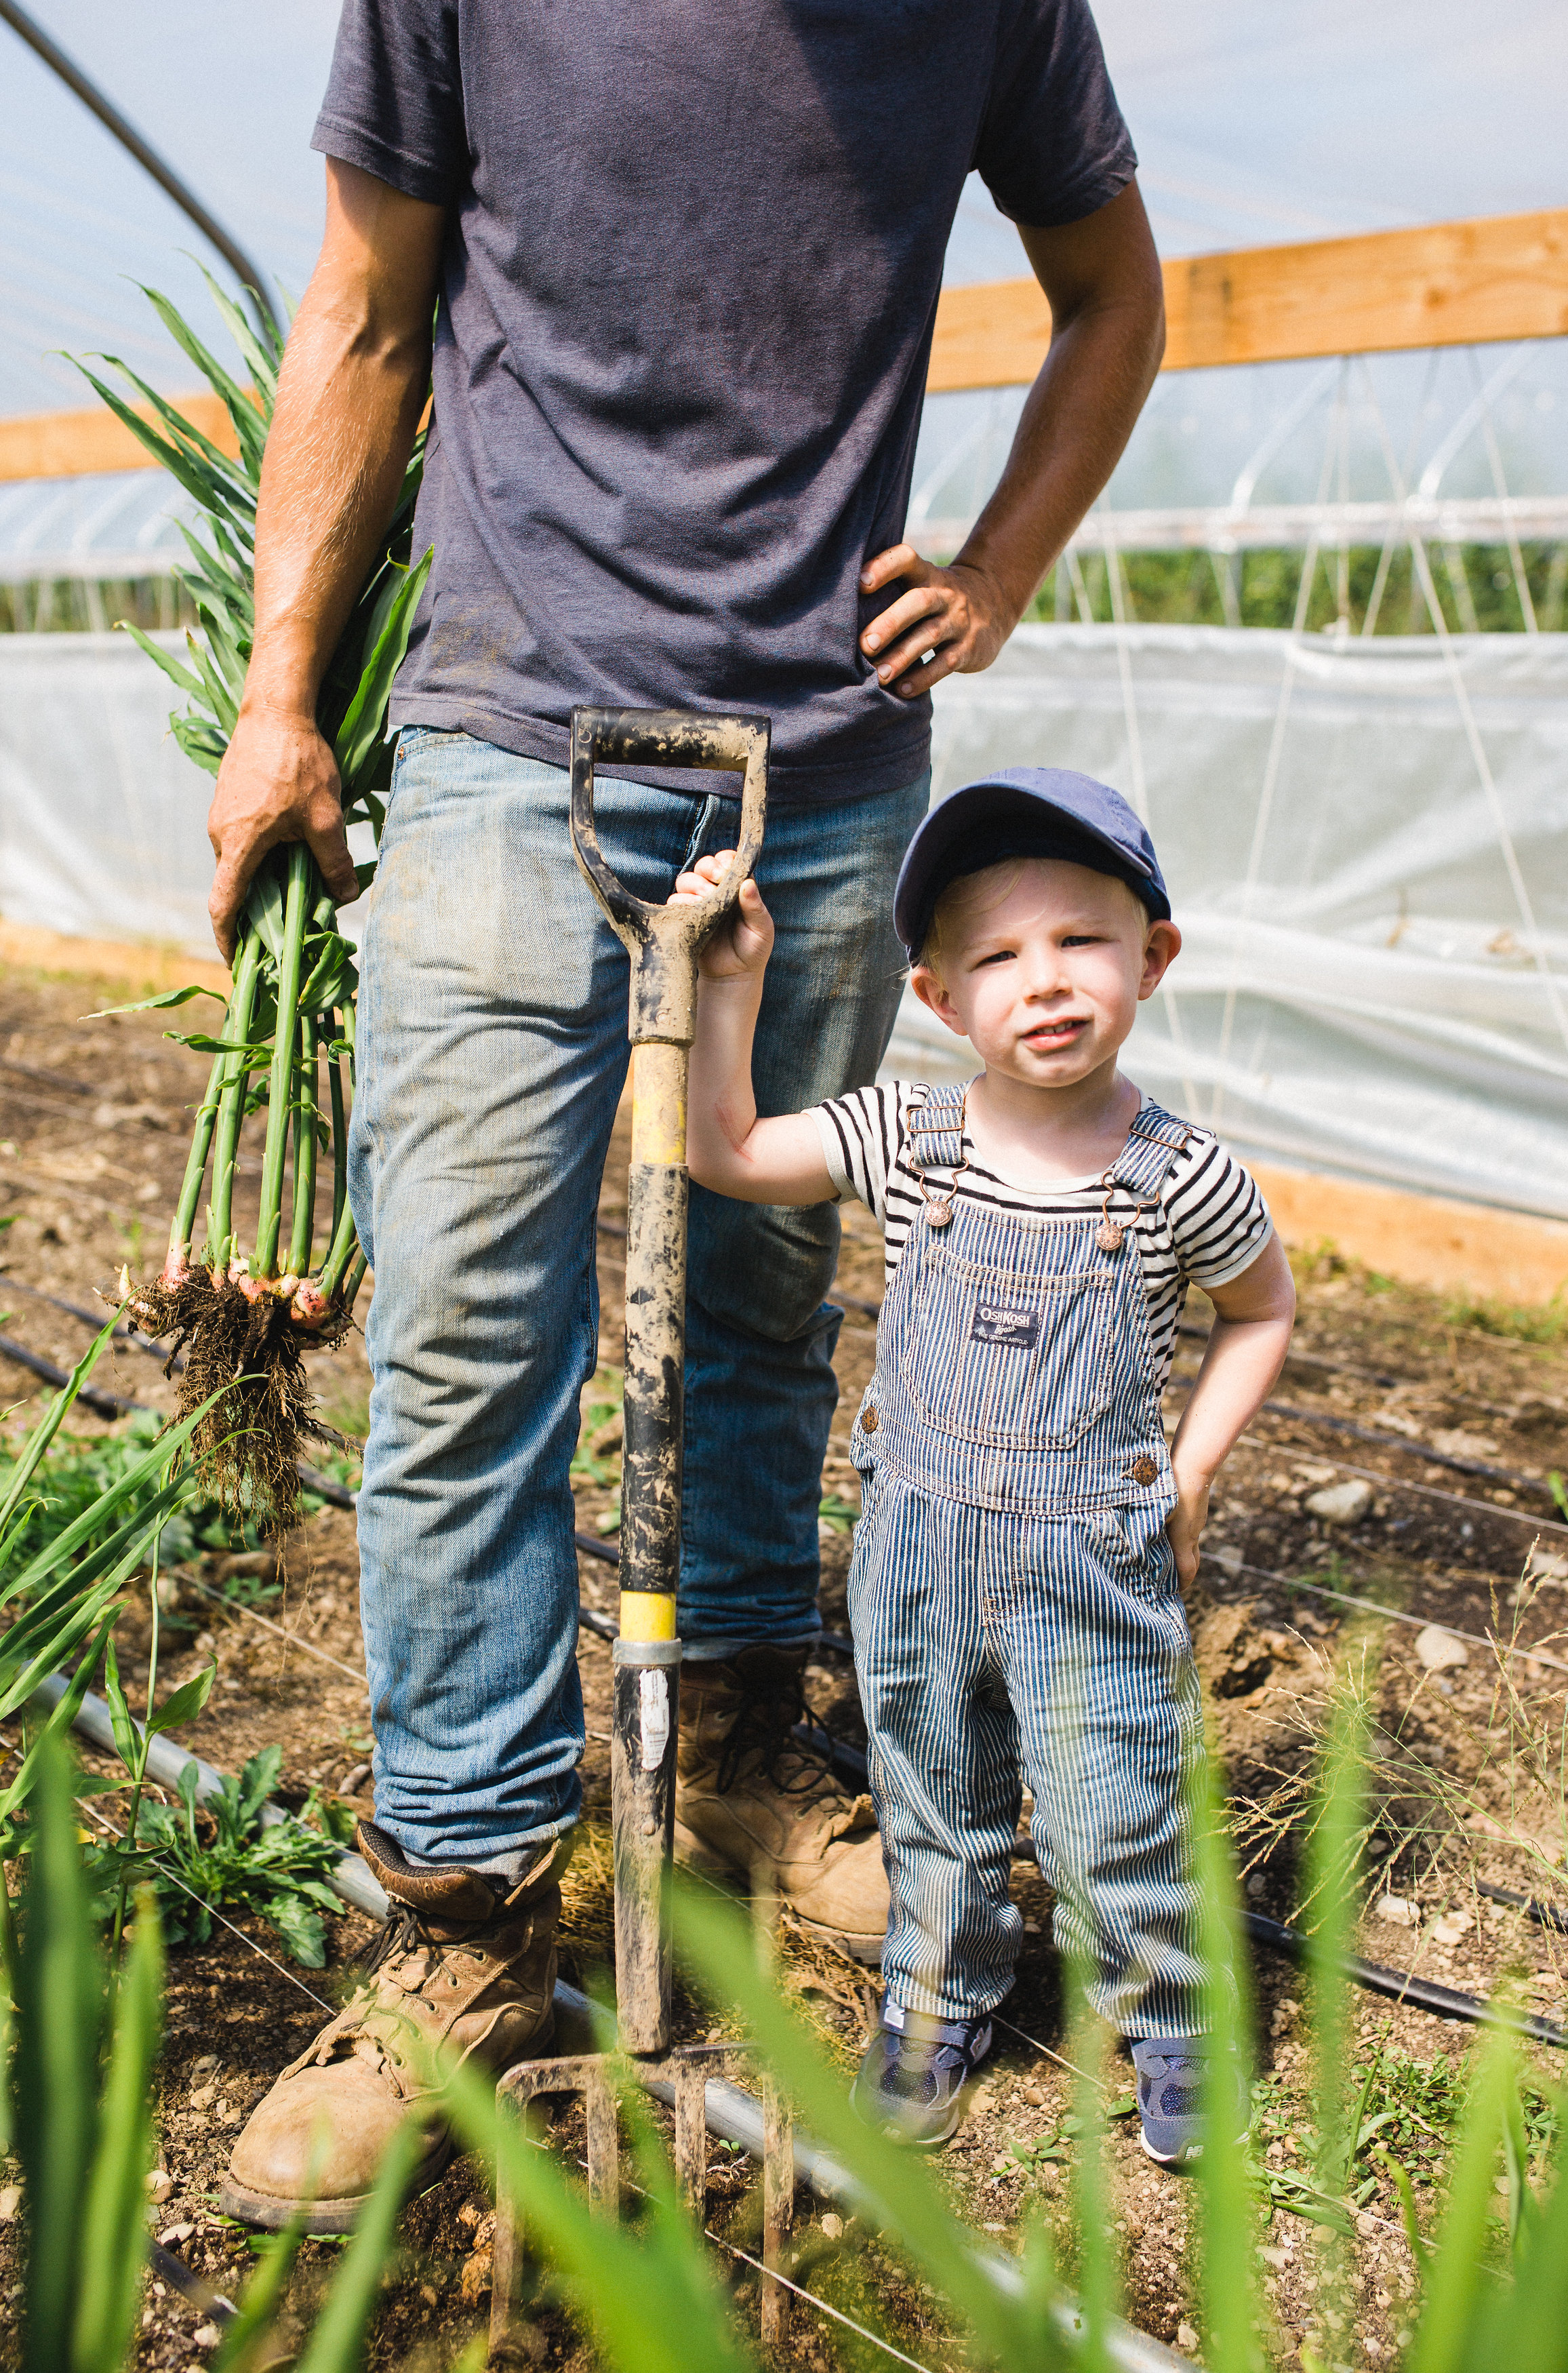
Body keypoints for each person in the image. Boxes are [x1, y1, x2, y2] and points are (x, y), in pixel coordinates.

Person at [217, 0, 1169, 2229]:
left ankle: (739, 1755)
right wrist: (280, 692)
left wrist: (1004, 564)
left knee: (760, 1289)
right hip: (493, 741)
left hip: (823, 779)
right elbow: (363, 308)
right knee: (468, 1343)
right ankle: (462, 1911)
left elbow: (1114, 287)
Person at [671, 768, 1296, 2163]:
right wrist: (730, 988)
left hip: (1093, 1557)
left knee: (1115, 1799)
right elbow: (725, 1151)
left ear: (1155, 955)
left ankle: (1173, 2021)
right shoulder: (907, 1137)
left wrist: (1187, 1475)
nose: (1049, 981)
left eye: (1083, 938)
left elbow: (1264, 1311)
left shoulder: (1179, 1175)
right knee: (930, 1788)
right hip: (920, 1550)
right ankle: (938, 1997)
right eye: (1001, 956)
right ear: (943, 999)